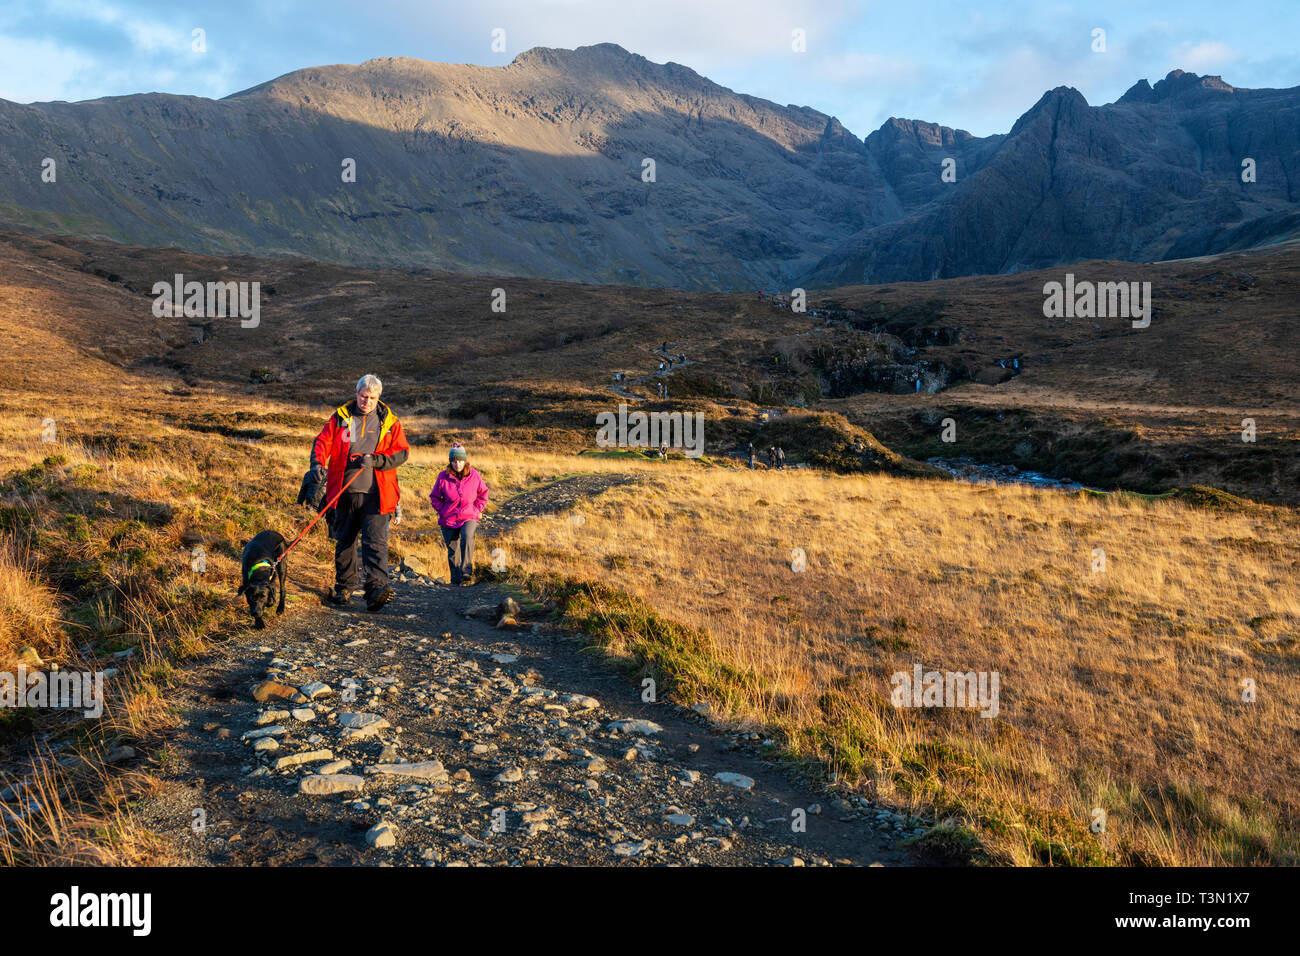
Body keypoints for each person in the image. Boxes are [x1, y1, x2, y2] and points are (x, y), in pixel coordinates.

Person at [313, 373, 409, 612]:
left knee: (375, 544)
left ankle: (376, 591)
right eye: (363, 396)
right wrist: (317, 463)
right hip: (343, 493)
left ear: (379, 398)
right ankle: (344, 588)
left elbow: (402, 452)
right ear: (356, 393)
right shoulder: (340, 419)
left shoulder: (390, 423)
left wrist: (376, 460)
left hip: (377, 495)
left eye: (372, 398)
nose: (367, 401)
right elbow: (322, 442)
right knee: (344, 542)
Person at [429, 442, 489, 586]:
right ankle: (456, 582)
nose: (458, 464)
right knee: (453, 551)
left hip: (469, 516)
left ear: (465, 460)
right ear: (451, 462)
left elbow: (483, 493)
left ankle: (466, 570)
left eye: (460, 461)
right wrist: (442, 511)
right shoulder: (443, 477)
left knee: (467, 536)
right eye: (454, 461)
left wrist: (477, 509)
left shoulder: (474, 475)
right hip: (448, 518)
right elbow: (434, 497)